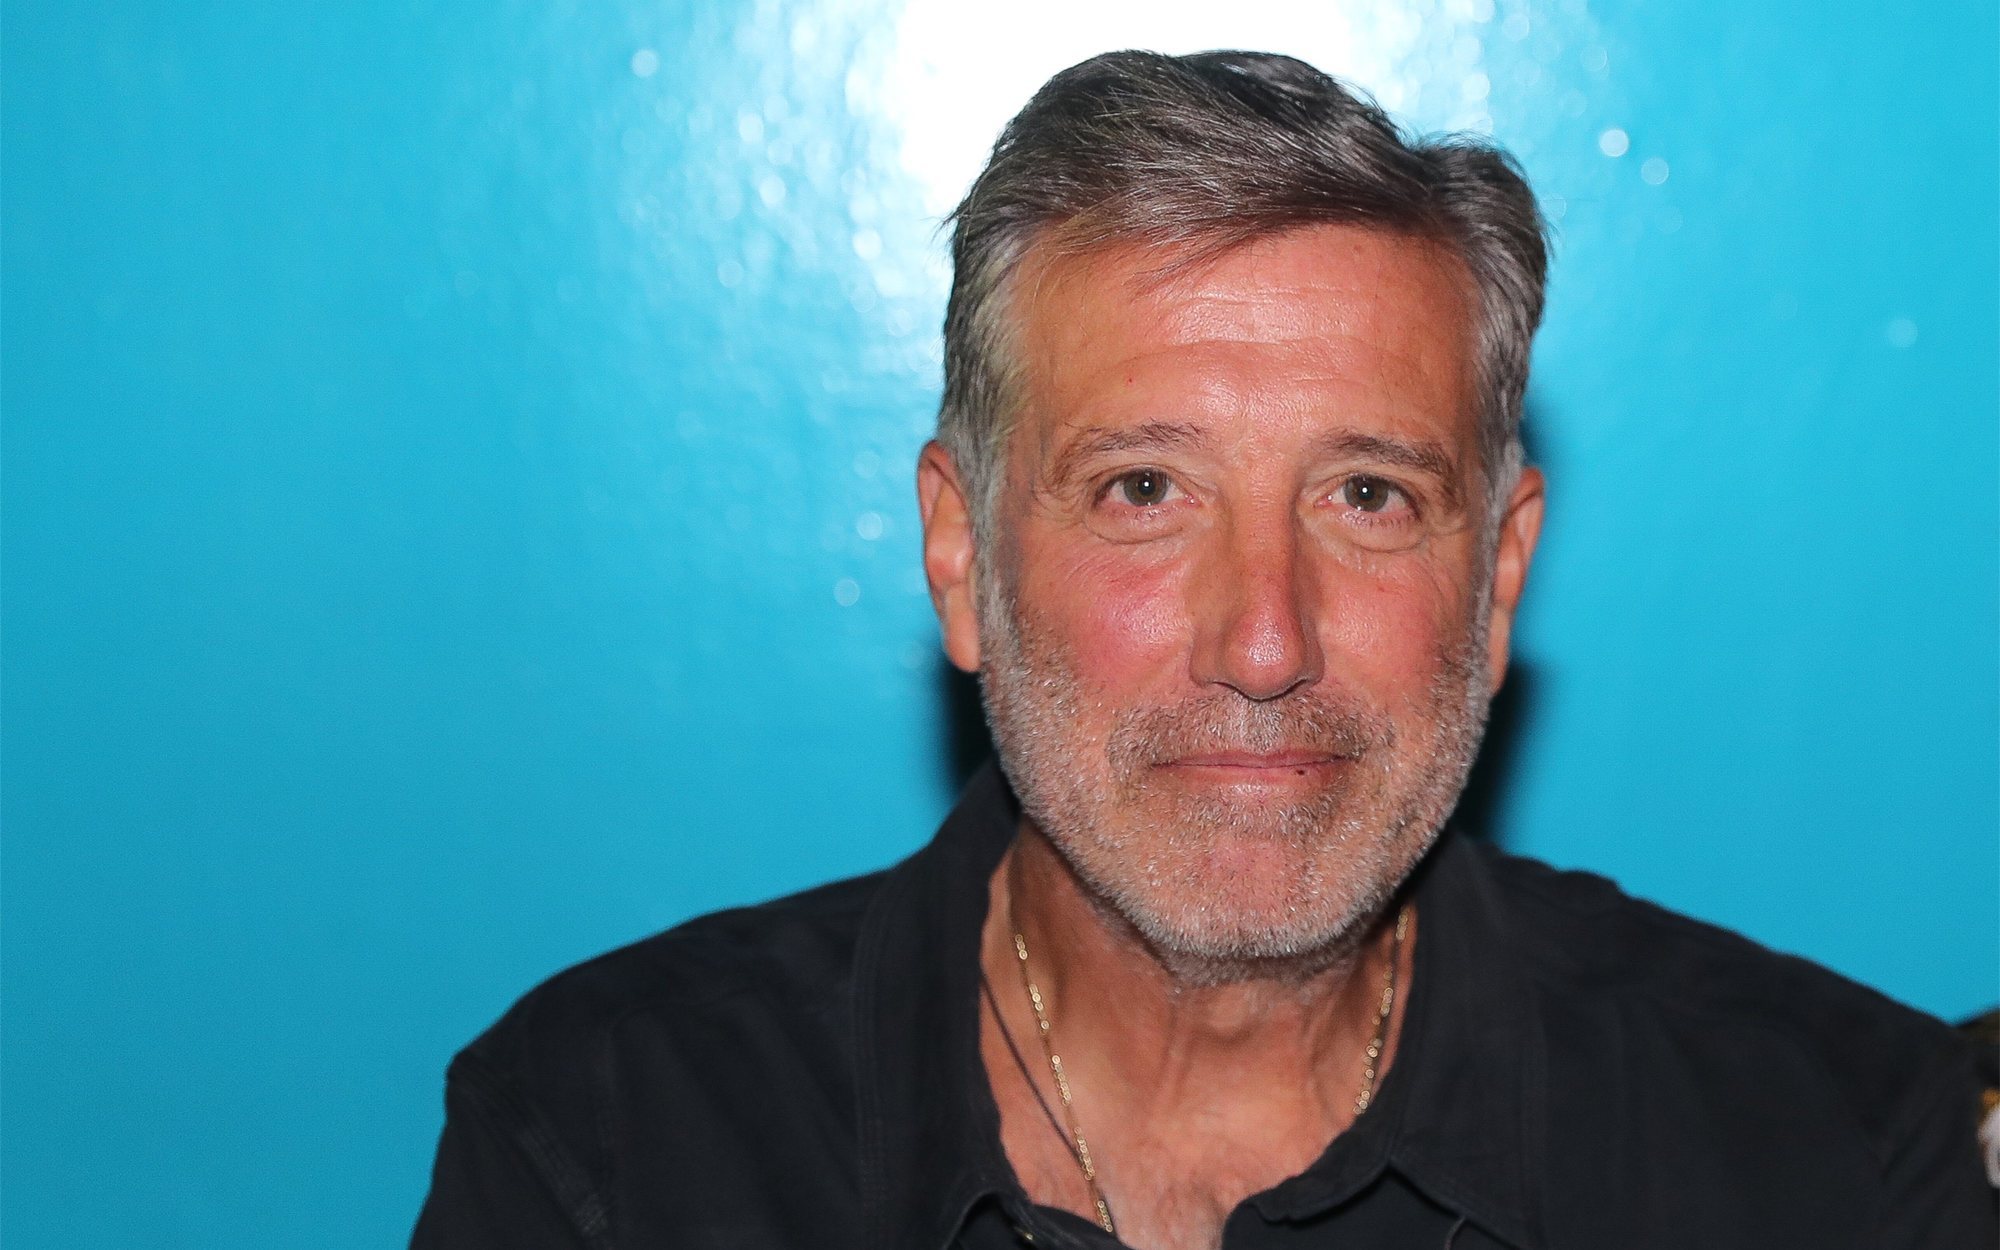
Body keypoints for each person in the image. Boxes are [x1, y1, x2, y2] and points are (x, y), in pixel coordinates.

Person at [411, 50, 1995, 1249]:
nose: (1264, 640)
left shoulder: (1838, 1160)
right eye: (1144, 491)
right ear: (960, 557)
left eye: (1366, 495)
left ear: (1500, 573)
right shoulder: (609, 1146)